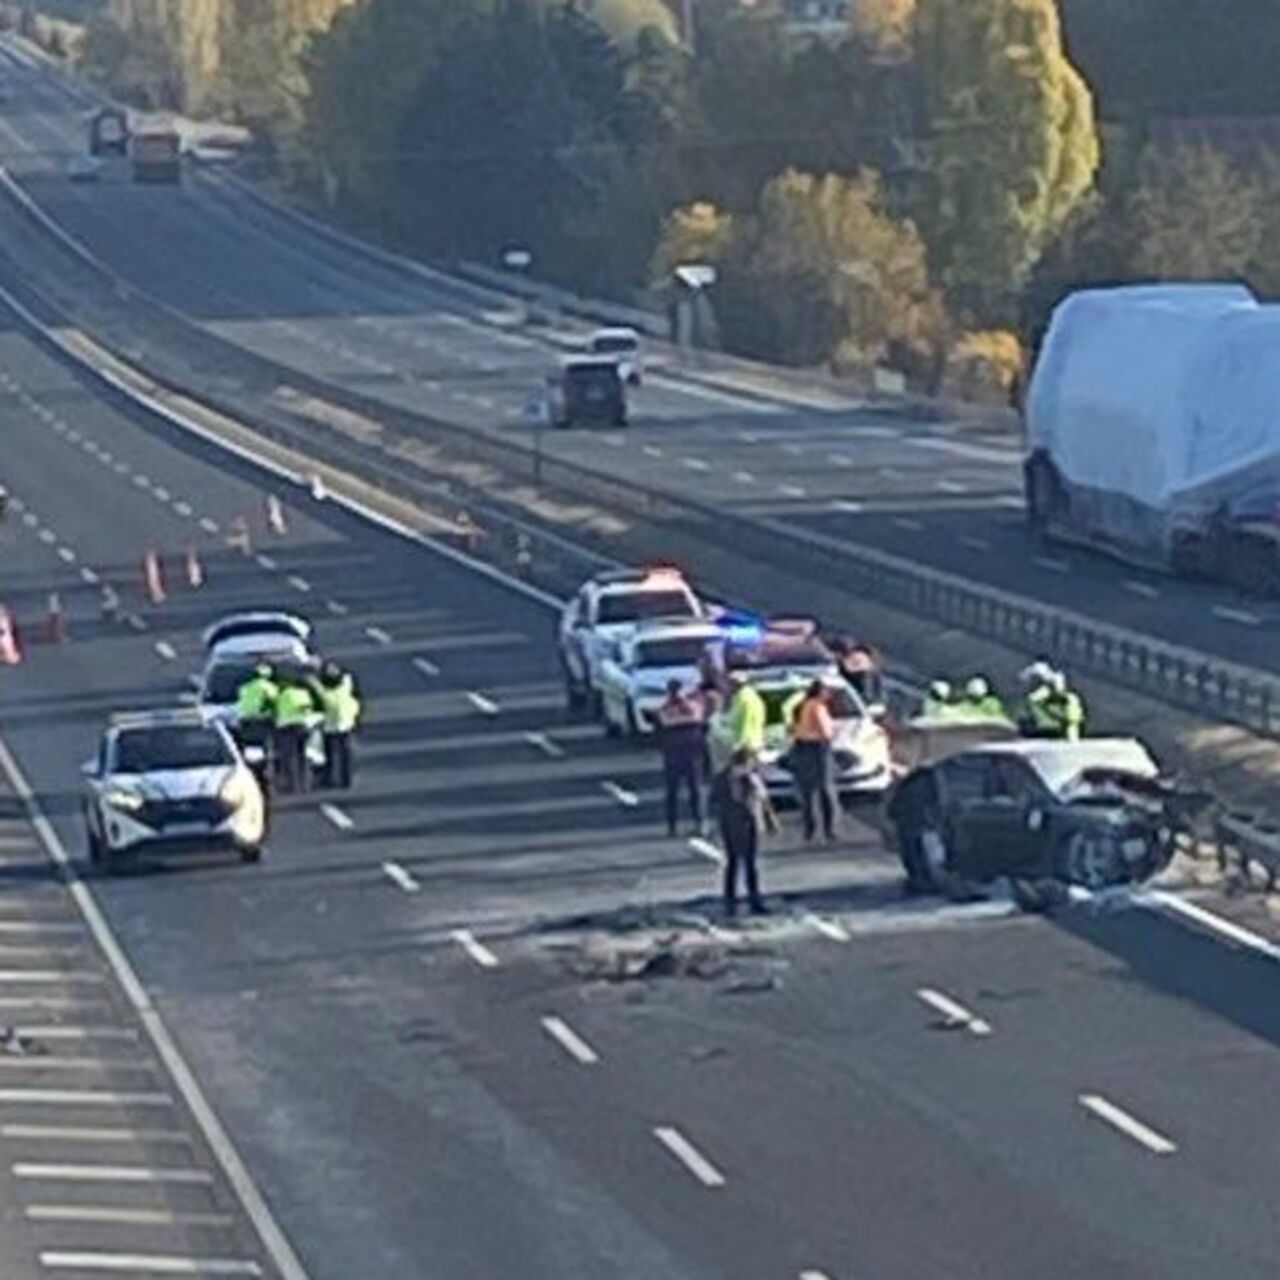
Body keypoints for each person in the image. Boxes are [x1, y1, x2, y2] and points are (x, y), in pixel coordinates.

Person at [711, 747, 778, 916]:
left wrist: (770, 822)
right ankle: (730, 903)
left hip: (751, 824)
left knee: (751, 864)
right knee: (733, 863)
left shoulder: (752, 779)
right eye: (749, 764)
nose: (751, 768)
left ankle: (754, 901)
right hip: (731, 825)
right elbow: (714, 802)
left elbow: (764, 800)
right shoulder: (723, 779)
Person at [655, 679, 706, 837]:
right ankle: (672, 826)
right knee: (672, 792)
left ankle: (700, 824)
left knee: (695, 790)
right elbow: (660, 728)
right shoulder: (664, 709)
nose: (676, 695)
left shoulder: (693, 706)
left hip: (692, 754)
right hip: (673, 754)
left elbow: (698, 719)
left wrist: (683, 704)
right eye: (673, 691)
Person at [790, 679, 839, 842]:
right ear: (821, 692)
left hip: (802, 748)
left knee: (808, 791)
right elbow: (826, 732)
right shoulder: (818, 707)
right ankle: (829, 828)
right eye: (827, 691)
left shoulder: (803, 705)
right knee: (826, 789)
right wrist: (833, 733)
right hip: (818, 749)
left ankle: (809, 829)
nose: (830, 694)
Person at [314, 660, 362, 789]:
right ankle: (345, 779)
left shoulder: (323, 692)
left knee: (330, 755)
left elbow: (315, 688)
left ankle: (330, 779)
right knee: (345, 754)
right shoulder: (345, 686)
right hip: (345, 724)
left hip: (330, 727)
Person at [273, 671, 318, 794]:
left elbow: (275, 710)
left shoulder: (282, 695)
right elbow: (309, 709)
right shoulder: (304, 694)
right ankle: (305, 783)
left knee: (288, 757)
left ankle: (291, 784)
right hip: (302, 727)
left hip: (286, 728)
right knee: (302, 756)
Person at [725, 673, 766, 759]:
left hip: (746, 745)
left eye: (729, 683)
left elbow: (746, 723)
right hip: (753, 742)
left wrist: (739, 745)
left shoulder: (744, 698)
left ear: (736, 684)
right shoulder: (753, 697)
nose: (728, 687)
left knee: (743, 771)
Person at [1038, 670, 1086, 741]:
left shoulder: (1070, 698)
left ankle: (1072, 738)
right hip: (1068, 714)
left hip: (1070, 714)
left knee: (1072, 725)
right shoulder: (1068, 697)